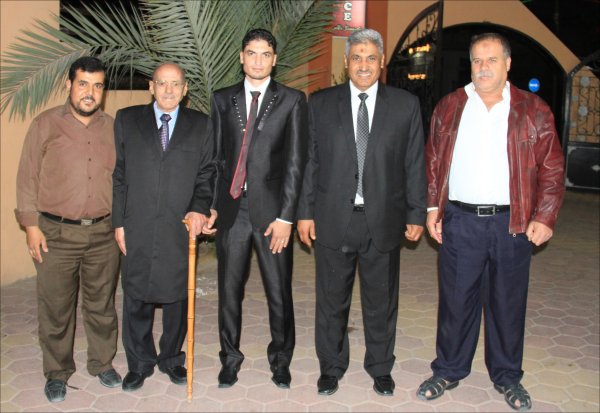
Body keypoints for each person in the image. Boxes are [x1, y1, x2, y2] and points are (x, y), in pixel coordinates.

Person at [416, 33, 565, 412]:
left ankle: (507, 376)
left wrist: (545, 215)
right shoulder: (451, 106)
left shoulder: (533, 109)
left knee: (507, 304)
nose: (483, 67)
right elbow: (432, 161)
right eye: (477, 61)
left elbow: (551, 167)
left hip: (512, 223)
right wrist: (432, 208)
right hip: (460, 220)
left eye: (492, 60)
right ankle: (448, 369)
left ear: (508, 64)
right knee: (456, 301)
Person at [297, 28, 427, 397]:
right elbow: (310, 162)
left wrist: (416, 213)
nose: (364, 64)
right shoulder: (320, 104)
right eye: (357, 57)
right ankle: (331, 367)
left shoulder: (405, 105)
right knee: (331, 301)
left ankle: (381, 367)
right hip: (333, 218)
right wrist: (305, 212)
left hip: (383, 219)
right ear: (346, 61)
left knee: (381, 302)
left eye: (371, 57)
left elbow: (414, 162)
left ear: (382, 62)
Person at [15, 56, 122, 402]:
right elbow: (27, 178)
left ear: (103, 90)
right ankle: (57, 372)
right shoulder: (45, 125)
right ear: (69, 85)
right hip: (55, 235)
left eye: (97, 85)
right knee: (56, 308)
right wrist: (31, 226)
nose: (90, 92)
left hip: (103, 234)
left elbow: (124, 180)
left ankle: (102, 363)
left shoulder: (113, 129)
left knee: (101, 305)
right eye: (83, 84)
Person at [208, 28, 307, 389]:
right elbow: (215, 159)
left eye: (265, 54)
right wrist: (212, 206)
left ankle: (281, 360)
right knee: (229, 291)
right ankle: (230, 359)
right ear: (241, 57)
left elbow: (296, 163)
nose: (258, 61)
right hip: (232, 210)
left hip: (272, 214)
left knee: (278, 291)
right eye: (252, 53)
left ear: (274, 60)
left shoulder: (292, 100)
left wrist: (286, 217)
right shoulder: (222, 99)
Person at [112, 62, 214, 391]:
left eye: (175, 84)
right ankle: (140, 363)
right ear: (151, 87)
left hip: (178, 224)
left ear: (185, 90)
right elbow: (119, 174)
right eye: (162, 83)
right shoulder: (127, 120)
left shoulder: (202, 125)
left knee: (177, 297)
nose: (168, 90)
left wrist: (199, 209)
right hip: (137, 222)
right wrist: (118, 222)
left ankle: (171, 358)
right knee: (136, 295)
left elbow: (207, 174)